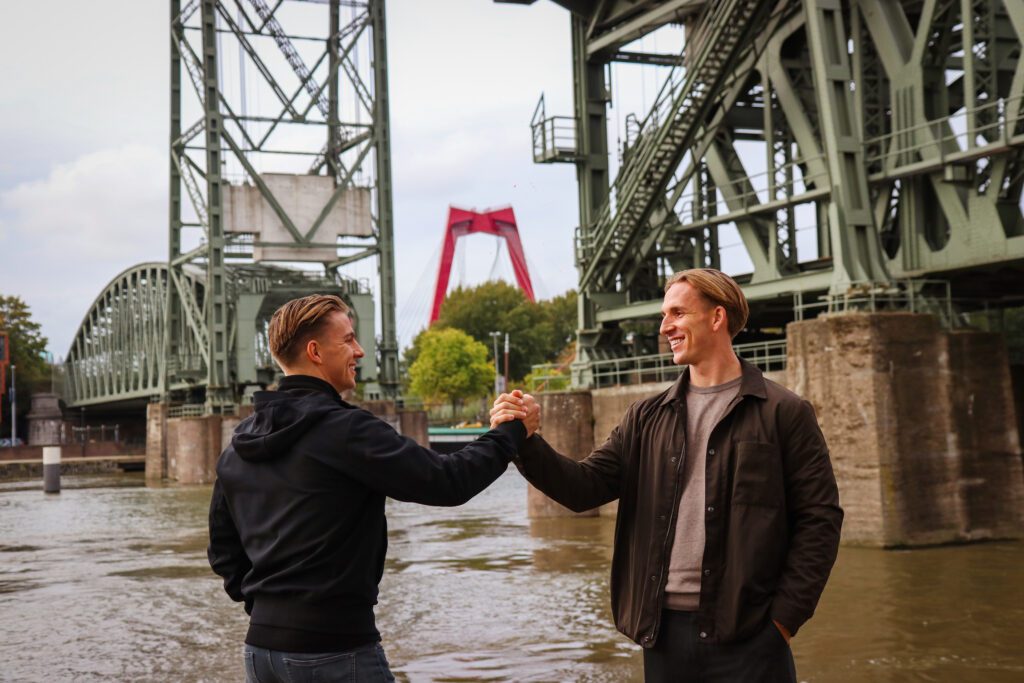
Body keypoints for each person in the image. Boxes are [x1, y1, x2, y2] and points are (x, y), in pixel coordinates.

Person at [491, 268, 842, 683]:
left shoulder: (784, 412)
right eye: (663, 315)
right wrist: (525, 439)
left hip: (752, 636)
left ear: (717, 317)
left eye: (677, 313)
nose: (664, 327)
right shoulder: (645, 418)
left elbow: (819, 520)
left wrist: (783, 621)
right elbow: (583, 488)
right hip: (663, 635)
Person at [208, 294, 537, 683]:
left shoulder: (238, 445)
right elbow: (447, 481)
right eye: (348, 339)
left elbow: (224, 554)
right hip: (335, 649)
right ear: (315, 352)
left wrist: (269, 608)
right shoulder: (347, 430)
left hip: (261, 653)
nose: (360, 351)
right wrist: (511, 432)